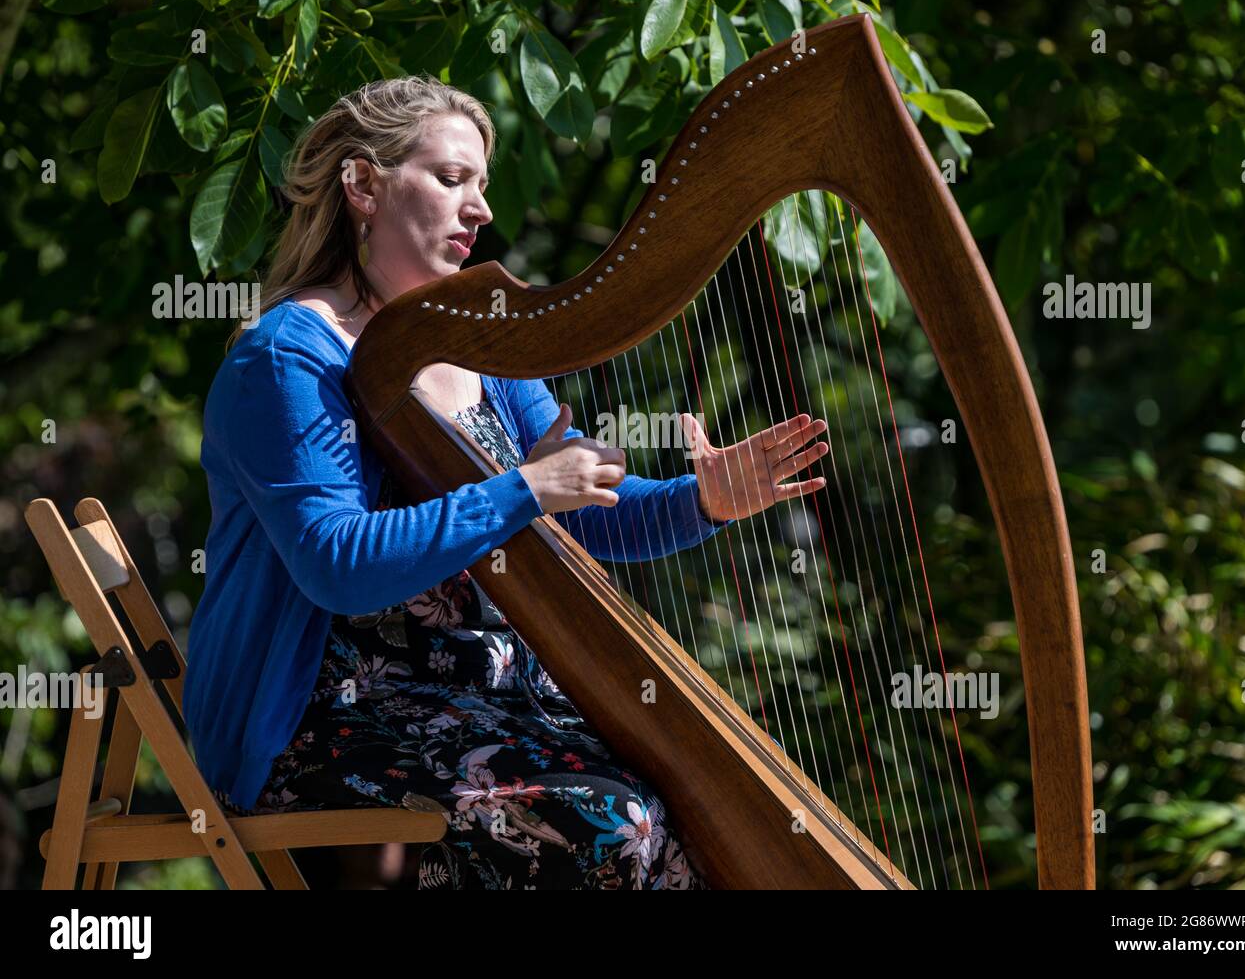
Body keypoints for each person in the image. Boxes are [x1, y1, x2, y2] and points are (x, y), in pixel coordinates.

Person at [183, 75, 830, 890]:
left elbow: (587, 508)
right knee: (615, 827)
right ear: (361, 185)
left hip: (487, 699)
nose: (481, 207)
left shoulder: (479, 346)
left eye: (481, 185)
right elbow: (337, 564)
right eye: (453, 178)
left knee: (695, 815)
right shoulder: (288, 357)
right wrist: (523, 487)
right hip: (332, 721)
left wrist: (704, 499)